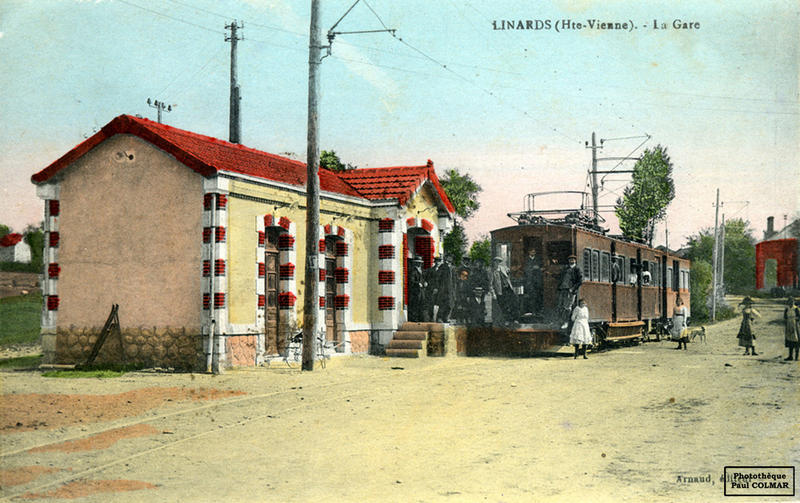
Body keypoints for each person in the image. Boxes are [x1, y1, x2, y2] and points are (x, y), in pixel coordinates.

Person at [557, 255, 583, 328]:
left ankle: (566, 322)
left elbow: (580, 281)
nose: (571, 261)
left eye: (573, 260)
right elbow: (560, 277)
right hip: (563, 289)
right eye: (570, 260)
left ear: (575, 261)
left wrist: (573, 288)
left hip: (570, 291)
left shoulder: (577, 269)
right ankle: (560, 321)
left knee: (567, 307)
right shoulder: (565, 269)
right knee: (560, 306)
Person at [490, 256, 518, 325]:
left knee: (512, 304)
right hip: (500, 292)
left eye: (499, 262)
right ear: (494, 263)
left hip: (508, 289)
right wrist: (493, 293)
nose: (497, 263)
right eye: (496, 262)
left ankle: (514, 319)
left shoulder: (503, 268)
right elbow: (490, 285)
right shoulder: (493, 272)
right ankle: (507, 320)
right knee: (504, 306)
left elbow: (510, 271)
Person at [522, 248, 543, 319]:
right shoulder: (526, 260)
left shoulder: (538, 260)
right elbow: (525, 269)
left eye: (534, 252)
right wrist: (532, 268)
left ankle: (537, 312)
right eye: (532, 251)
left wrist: (539, 269)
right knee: (530, 296)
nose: (533, 253)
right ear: (529, 252)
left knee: (537, 296)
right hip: (529, 281)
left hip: (537, 281)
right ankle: (530, 311)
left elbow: (541, 268)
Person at [784, 297, 800, 361]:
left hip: (795, 325)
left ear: (793, 302)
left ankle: (796, 356)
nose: (790, 303)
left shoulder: (796, 309)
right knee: (790, 340)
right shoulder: (787, 309)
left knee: (796, 340)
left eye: (792, 301)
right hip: (789, 325)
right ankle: (790, 356)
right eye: (789, 301)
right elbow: (785, 317)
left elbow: (799, 317)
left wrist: (796, 320)